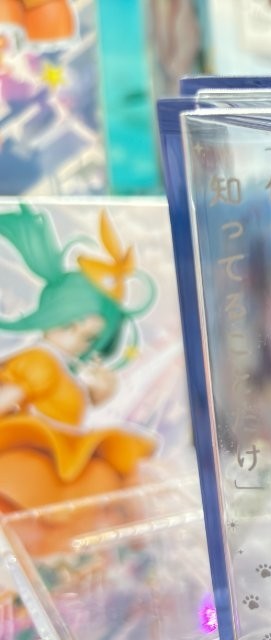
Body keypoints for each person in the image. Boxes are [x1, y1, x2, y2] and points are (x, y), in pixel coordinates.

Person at [0, 205, 155, 516]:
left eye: (88, 338)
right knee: (104, 477)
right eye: (68, 326)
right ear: (52, 314)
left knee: (113, 476)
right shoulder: (41, 362)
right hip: (42, 454)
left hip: (64, 452)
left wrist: (103, 388)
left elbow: (81, 403)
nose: (74, 341)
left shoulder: (64, 368)